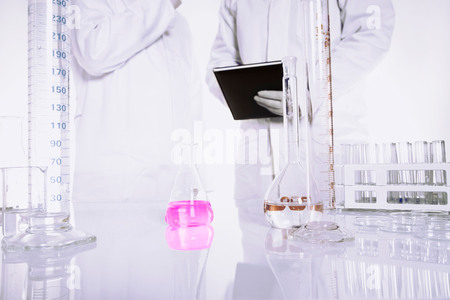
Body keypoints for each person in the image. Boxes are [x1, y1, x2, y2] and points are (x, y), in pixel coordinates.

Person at [206, 0, 395, 216]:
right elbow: (218, 65)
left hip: (325, 146)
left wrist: (310, 90)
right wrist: (249, 97)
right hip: (259, 162)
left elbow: (371, 34)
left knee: (333, 238)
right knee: (260, 242)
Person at [70, 0, 201, 203]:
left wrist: (194, 179)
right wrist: (163, 5)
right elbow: (94, 54)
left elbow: (191, 105)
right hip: (109, 189)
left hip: (170, 192)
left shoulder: (180, 25)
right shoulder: (92, 4)